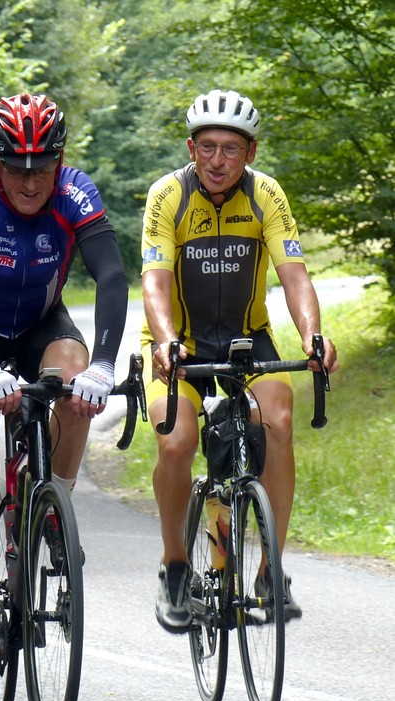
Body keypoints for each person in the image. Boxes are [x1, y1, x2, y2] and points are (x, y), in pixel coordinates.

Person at [0, 93, 128, 701]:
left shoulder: (75, 193)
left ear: (60, 159)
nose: (32, 181)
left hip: (42, 328)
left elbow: (111, 275)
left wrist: (103, 364)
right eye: (17, 167)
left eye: (43, 166)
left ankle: (52, 510)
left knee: (74, 384)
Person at [140, 88, 338, 634]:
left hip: (247, 342)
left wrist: (313, 336)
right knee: (175, 441)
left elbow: (294, 276)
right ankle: (175, 566)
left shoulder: (266, 194)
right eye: (207, 147)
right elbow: (155, 282)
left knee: (279, 419)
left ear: (250, 153)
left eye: (231, 148)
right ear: (191, 148)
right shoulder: (168, 195)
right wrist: (165, 340)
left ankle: (271, 571)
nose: (217, 160)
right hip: (177, 345)